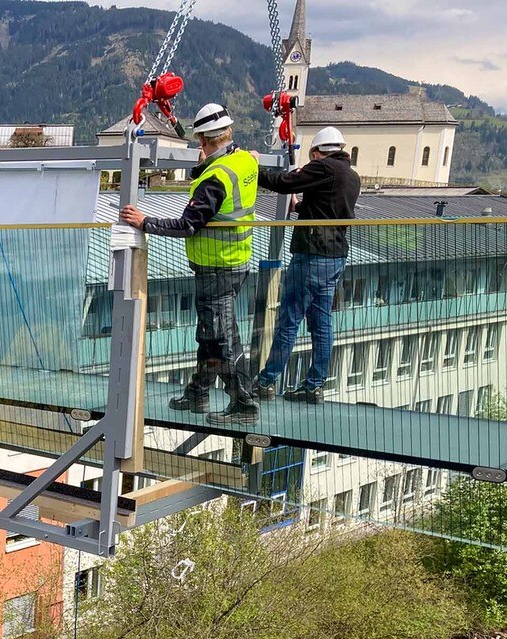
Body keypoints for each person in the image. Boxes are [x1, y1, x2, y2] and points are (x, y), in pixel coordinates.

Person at [120, 103, 261, 425]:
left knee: (222, 337)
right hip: (233, 262)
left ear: (205, 141)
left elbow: (188, 224)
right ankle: (198, 392)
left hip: (216, 267)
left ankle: (245, 404)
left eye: (200, 141)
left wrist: (144, 222)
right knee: (209, 334)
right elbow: (233, 182)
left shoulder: (215, 178)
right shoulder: (244, 161)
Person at [253, 126, 362, 403]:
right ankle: (313, 386)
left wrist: (255, 168)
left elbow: (284, 182)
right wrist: (299, 207)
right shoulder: (351, 176)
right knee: (321, 322)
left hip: (312, 253)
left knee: (289, 318)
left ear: (317, 152)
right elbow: (328, 207)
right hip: (336, 255)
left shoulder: (323, 167)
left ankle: (266, 381)